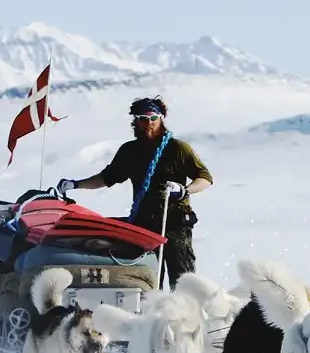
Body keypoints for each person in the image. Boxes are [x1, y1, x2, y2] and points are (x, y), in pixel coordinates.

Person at [57, 96, 213, 288]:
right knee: (147, 278)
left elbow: (205, 178)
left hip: (174, 222)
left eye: (153, 118)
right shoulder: (129, 151)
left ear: (161, 119)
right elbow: (107, 178)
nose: (149, 123)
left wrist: (184, 190)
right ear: (136, 121)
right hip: (144, 225)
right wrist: (75, 184)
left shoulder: (178, 149)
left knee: (182, 279)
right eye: (143, 118)